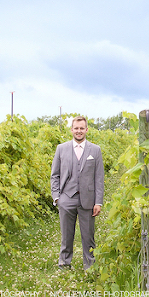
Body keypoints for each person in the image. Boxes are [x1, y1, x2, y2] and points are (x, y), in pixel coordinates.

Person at [50, 116, 104, 270]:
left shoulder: (95, 150)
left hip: (88, 200)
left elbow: (99, 178)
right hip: (66, 199)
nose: (79, 131)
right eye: (76, 128)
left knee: (88, 237)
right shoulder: (61, 148)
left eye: (82, 128)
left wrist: (98, 202)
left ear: (86, 129)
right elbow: (55, 175)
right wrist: (57, 197)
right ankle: (64, 264)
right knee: (66, 236)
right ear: (72, 130)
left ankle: (90, 267)